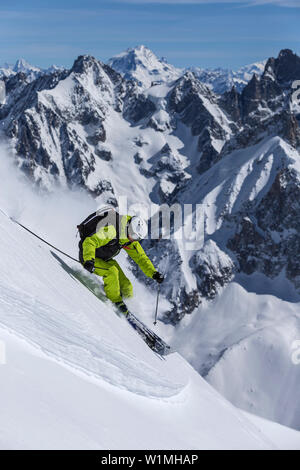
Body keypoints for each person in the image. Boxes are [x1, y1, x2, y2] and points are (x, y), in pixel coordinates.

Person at [80, 209, 164, 315]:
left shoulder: (128, 239)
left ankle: (129, 307)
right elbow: (90, 241)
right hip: (88, 257)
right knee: (112, 272)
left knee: (127, 286)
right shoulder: (112, 231)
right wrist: (89, 260)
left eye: (137, 238)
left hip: (103, 259)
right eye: (134, 236)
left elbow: (141, 258)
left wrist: (154, 273)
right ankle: (116, 302)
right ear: (129, 228)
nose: (134, 240)